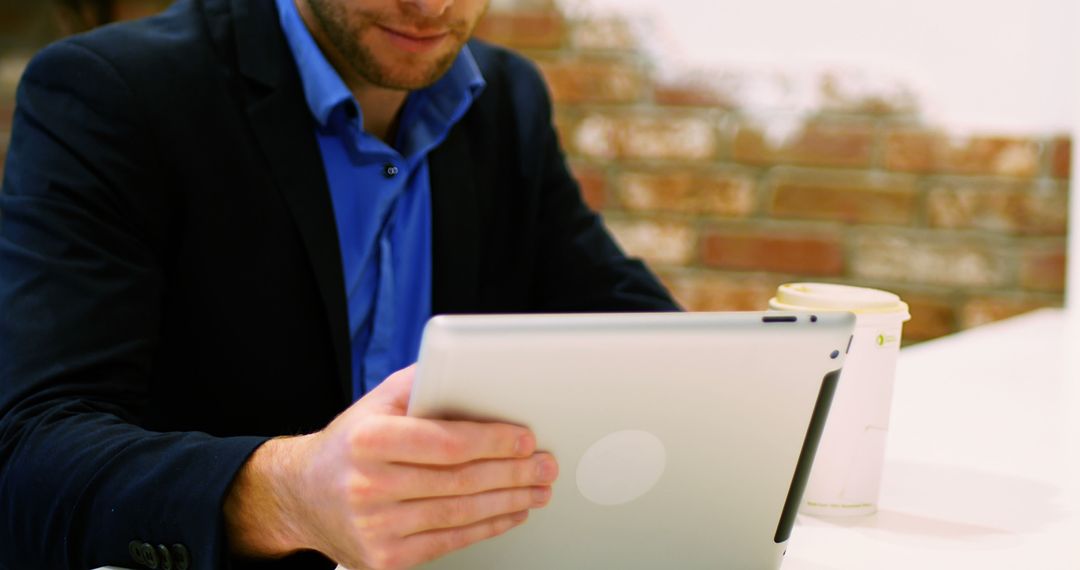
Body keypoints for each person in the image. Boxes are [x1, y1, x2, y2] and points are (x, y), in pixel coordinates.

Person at [0, 0, 678, 568]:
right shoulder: (114, 91)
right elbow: (30, 457)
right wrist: (285, 495)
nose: (433, 5)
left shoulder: (505, 102)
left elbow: (635, 335)